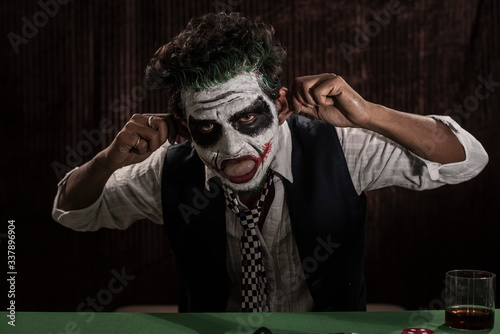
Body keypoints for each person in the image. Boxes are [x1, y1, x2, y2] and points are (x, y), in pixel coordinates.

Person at [52, 12, 488, 312]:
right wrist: (110, 159)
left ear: (279, 105)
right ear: (184, 126)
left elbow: (467, 160)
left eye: (247, 117)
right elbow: (74, 212)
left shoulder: (342, 149)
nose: (233, 148)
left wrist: (369, 114)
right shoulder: (170, 168)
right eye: (207, 128)